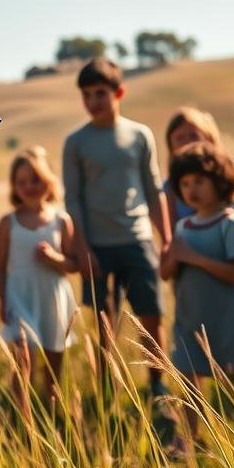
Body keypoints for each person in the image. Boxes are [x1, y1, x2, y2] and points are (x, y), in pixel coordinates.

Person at [62, 57, 172, 398]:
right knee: (105, 323)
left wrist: (166, 239)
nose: (93, 102)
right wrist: (82, 250)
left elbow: (153, 189)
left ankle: (157, 388)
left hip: (137, 240)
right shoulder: (76, 142)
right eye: (86, 95)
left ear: (118, 92)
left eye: (100, 93)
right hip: (96, 247)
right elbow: (73, 200)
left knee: (151, 316)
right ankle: (107, 388)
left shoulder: (140, 135)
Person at [161, 142, 234, 456]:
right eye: (184, 184)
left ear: (220, 181)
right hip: (190, 321)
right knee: (189, 382)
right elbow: (167, 272)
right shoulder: (182, 226)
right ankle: (188, 440)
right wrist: (171, 258)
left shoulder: (231, 223)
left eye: (199, 181)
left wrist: (193, 257)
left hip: (228, 321)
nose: (191, 190)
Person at [0, 147, 79, 414]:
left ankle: (53, 413)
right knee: (23, 360)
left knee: (54, 363)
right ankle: (22, 418)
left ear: (49, 182)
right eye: (21, 182)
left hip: (53, 298)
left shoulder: (61, 220)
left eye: (35, 179)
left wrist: (54, 258)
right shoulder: (8, 223)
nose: (29, 186)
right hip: (20, 297)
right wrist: (2, 300)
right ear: (14, 187)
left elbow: (73, 264)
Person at [161, 107, 234, 228]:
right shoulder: (169, 187)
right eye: (179, 138)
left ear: (210, 139)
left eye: (193, 136)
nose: (187, 143)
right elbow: (171, 235)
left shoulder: (223, 180)